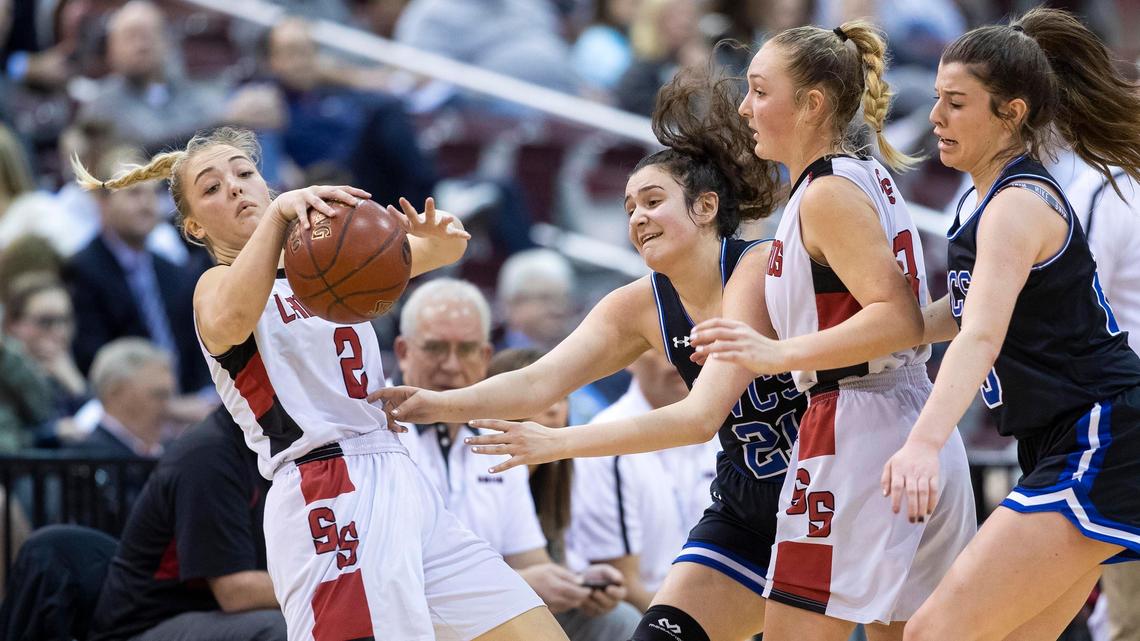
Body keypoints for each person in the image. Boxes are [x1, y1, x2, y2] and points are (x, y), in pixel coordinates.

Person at [72, 126, 566, 641]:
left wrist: (439, 238)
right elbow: (229, 321)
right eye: (212, 187)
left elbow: (431, 254)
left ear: (266, 185)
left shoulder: (326, 268)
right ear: (194, 227)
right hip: (325, 488)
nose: (236, 188)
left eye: (245, 174)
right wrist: (282, 215)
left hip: (399, 472)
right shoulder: (214, 286)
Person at [373, 66, 808, 641]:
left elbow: (700, 418)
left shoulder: (756, 266)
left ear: (705, 208)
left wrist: (560, 442)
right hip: (747, 504)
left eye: (653, 201)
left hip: (826, 489)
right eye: (629, 207)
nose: (637, 218)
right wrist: (433, 403)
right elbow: (538, 383)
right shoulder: (637, 306)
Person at [688, 20, 975, 640]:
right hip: (913, 421)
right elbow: (916, 318)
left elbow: (892, 316)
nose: (745, 107)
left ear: (812, 103)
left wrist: (776, 352)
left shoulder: (825, 194)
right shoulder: (866, 176)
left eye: (761, 92)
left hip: (856, 430)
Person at [882, 9, 1140, 640]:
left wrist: (921, 441)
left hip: (1102, 433)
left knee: (931, 632)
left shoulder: (1018, 205)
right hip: (1062, 437)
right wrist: (851, 337)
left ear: (1012, 113)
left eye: (956, 103)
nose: (936, 117)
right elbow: (959, 313)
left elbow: (980, 335)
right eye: (938, 98)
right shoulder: (979, 199)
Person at [393, 282, 639, 641]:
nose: (450, 365)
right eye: (434, 348)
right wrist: (524, 582)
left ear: (485, 356)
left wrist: (575, 584)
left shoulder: (500, 438)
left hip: (492, 605)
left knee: (615, 621)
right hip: (411, 609)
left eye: (466, 350)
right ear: (402, 351)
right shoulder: (377, 437)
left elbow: (531, 559)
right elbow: (389, 573)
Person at [88, 407, 285, 641]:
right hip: (146, 626)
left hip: (205, 615)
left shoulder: (272, 449)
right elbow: (235, 591)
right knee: (279, 629)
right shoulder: (209, 457)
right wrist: (323, 586)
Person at [567, 351, 718, 612]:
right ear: (628, 358)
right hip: (650, 613)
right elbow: (624, 586)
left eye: (688, 340)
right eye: (659, 346)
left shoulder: (728, 430)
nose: (678, 357)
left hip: (723, 602)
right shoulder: (604, 443)